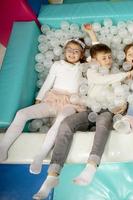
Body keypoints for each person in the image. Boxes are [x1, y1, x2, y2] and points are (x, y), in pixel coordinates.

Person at [32, 24, 133, 199]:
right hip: (90, 108)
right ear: (96, 61)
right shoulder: (90, 71)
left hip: (107, 110)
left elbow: (124, 92)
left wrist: (124, 105)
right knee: (66, 124)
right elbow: (101, 78)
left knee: (104, 122)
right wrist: (124, 75)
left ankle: (91, 166)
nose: (109, 60)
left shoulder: (117, 71)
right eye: (105, 58)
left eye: (110, 57)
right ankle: (52, 175)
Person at [0, 38, 87, 175]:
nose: (72, 53)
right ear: (64, 51)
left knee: (60, 121)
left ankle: (40, 155)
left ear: (82, 55)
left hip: (71, 103)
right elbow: (48, 82)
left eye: (76, 51)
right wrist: (39, 98)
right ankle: (3, 147)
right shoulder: (57, 65)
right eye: (69, 50)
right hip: (52, 99)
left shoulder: (82, 67)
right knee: (22, 114)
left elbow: (95, 58)